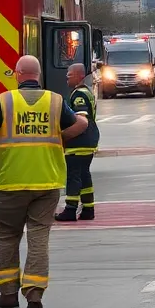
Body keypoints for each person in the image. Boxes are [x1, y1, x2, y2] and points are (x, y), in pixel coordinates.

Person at [0, 55, 88, 308]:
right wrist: (60, 139)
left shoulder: (5, 100)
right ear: (38, 75)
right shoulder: (55, 101)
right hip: (46, 180)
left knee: (6, 235)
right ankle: (34, 293)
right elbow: (78, 126)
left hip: (11, 180)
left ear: (18, 74)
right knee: (39, 235)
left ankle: (8, 293)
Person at [56, 63, 99, 222]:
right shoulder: (86, 92)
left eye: (69, 75)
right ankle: (88, 208)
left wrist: (63, 136)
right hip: (89, 140)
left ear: (79, 76)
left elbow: (81, 121)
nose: (66, 78)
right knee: (84, 174)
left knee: (73, 175)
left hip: (79, 141)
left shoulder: (78, 95)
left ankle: (70, 209)